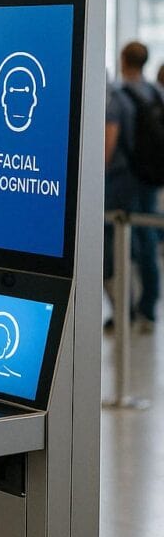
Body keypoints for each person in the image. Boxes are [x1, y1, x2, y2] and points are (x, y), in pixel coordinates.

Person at [105, 41, 164, 333]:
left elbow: (109, 141)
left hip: (122, 179)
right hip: (150, 178)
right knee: (147, 241)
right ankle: (149, 308)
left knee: (115, 244)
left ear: (123, 59)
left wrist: (99, 173)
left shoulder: (118, 96)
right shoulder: (157, 93)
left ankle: (123, 310)